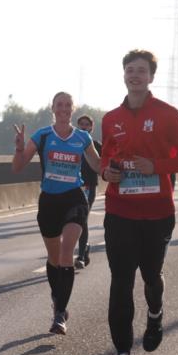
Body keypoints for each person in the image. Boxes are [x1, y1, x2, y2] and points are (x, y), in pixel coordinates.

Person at [100, 50, 178, 355]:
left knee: (150, 276)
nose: (135, 75)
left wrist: (156, 167)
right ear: (123, 75)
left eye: (141, 71)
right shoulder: (110, 118)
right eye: (129, 70)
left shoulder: (169, 115)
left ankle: (155, 314)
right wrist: (108, 173)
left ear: (151, 77)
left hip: (157, 213)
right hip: (119, 211)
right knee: (120, 280)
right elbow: (107, 160)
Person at [12, 93, 101, 334]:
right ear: (52, 108)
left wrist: (116, 165)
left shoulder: (82, 137)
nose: (63, 109)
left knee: (66, 251)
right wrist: (19, 148)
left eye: (67, 106)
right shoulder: (42, 135)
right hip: (49, 201)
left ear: (73, 109)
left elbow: (97, 165)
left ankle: (60, 314)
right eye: (59, 105)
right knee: (53, 257)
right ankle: (57, 298)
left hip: (74, 197)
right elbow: (18, 167)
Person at [74, 112, 101, 269]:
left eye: (87, 125)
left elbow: (104, 163)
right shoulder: (71, 142)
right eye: (81, 124)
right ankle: (86, 247)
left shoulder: (96, 145)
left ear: (91, 127)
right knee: (71, 221)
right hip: (72, 186)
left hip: (88, 187)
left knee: (82, 219)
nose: (84, 127)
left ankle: (82, 255)